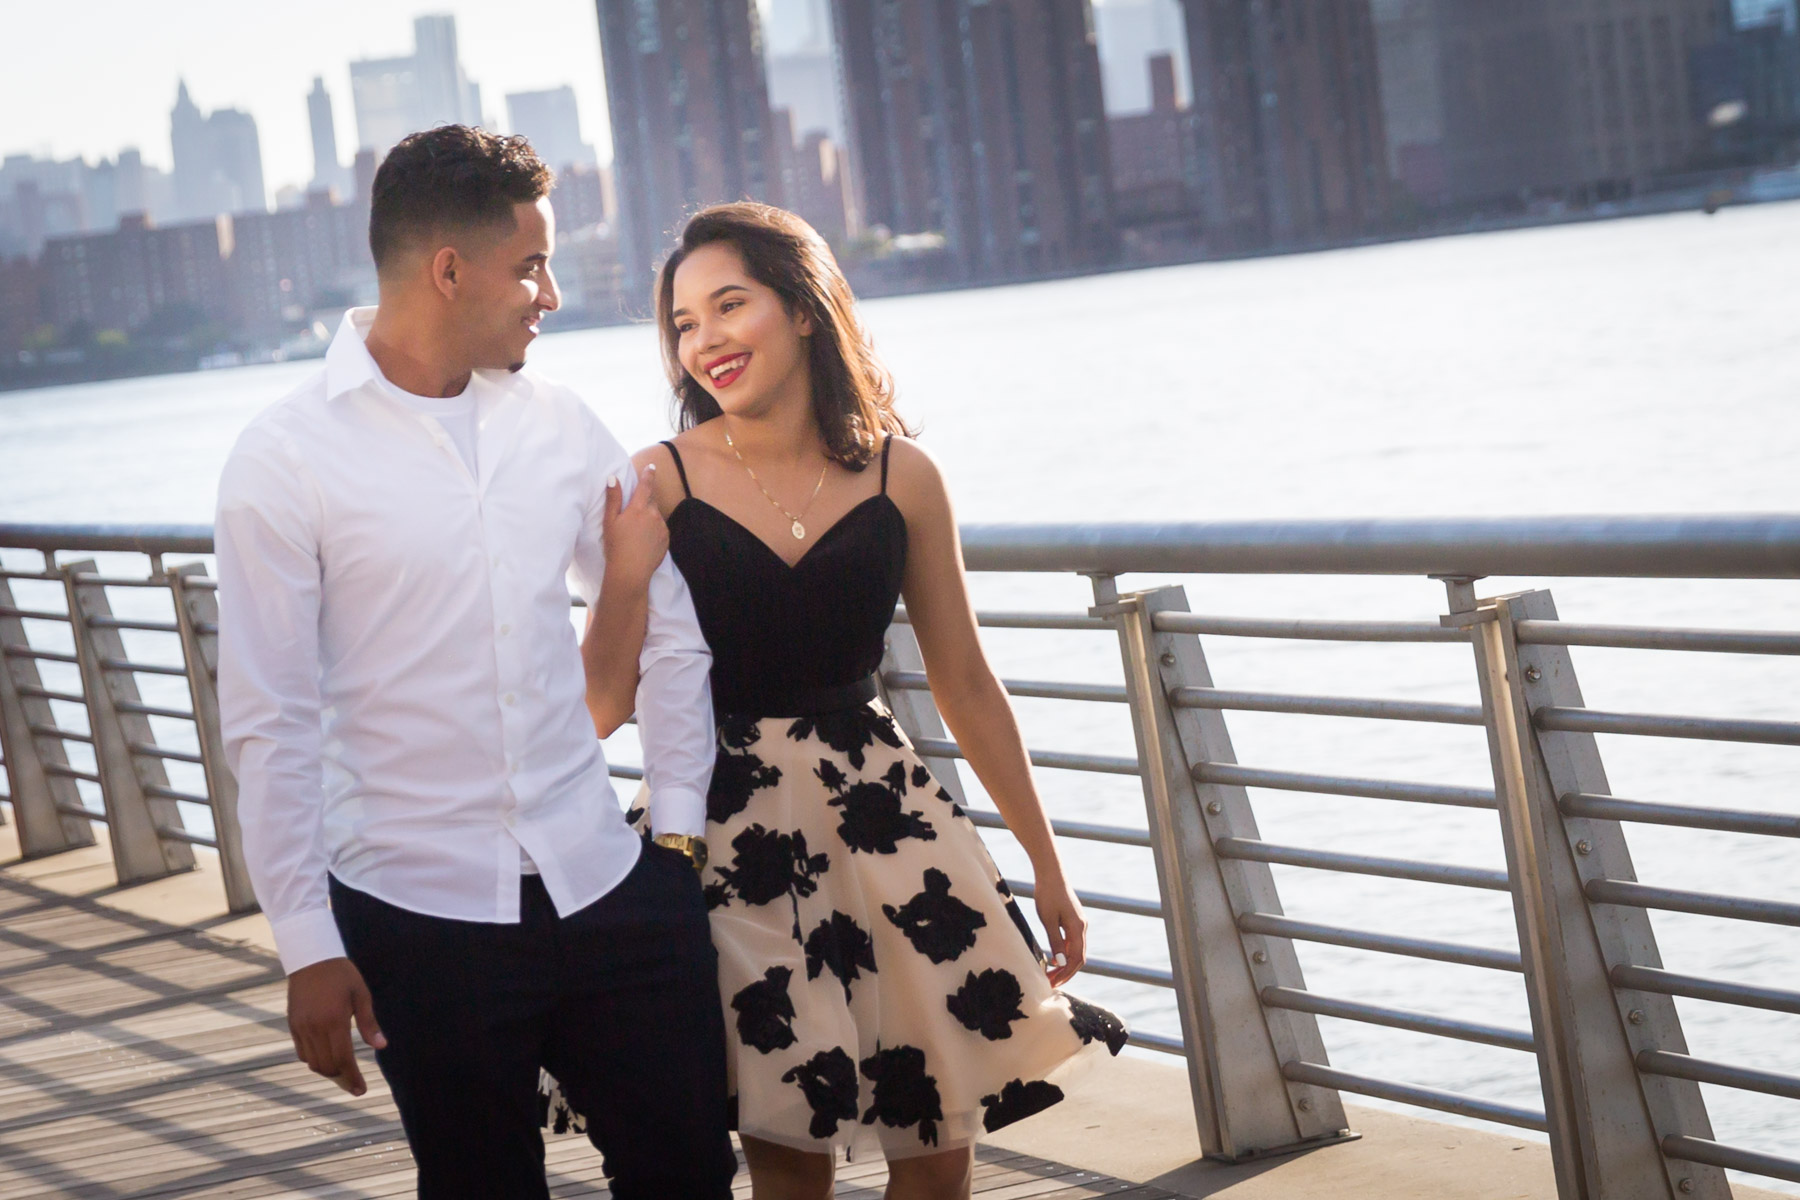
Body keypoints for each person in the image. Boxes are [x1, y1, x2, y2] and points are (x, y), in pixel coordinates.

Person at [547, 202, 1128, 1199]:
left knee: (938, 1159)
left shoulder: (906, 476)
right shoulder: (658, 482)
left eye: (731, 305)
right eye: (684, 324)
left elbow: (967, 682)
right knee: (790, 1158)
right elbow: (603, 696)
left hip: (890, 833)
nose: (707, 340)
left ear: (804, 309)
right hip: (726, 840)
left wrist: (1047, 864)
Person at [214, 125, 735, 1200]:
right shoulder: (283, 458)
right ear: (448, 271)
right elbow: (268, 718)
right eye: (531, 264)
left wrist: (674, 835)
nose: (549, 292)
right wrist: (307, 945)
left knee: (686, 1173)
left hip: (608, 887)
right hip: (415, 917)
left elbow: (672, 629)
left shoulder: (562, 424)